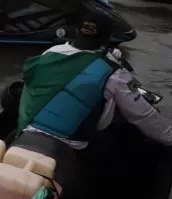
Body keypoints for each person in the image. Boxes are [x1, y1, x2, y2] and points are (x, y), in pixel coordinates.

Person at [16, 15, 172, 163]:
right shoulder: (114, 73)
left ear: (77, 31)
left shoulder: (50, 53)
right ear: (107, 38)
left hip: (26, 130)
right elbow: (143, 116)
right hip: (73, 145)